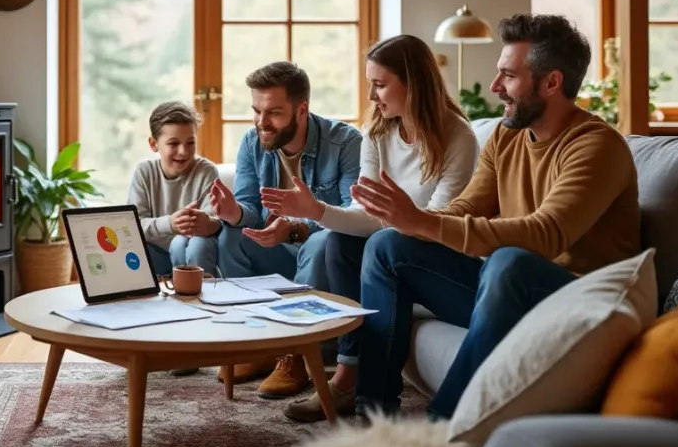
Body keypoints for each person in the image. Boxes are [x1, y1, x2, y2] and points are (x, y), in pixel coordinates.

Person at [349, 13, 641, 421]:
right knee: (387, 246)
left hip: (577, 298)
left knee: (510, 260)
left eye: (508, 75)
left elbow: (546, 234)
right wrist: (412, 218)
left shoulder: (596, 147)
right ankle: (373, 411)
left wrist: (426, 223)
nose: (494, 86)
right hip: (507, 287)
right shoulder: (508, 135)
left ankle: (444, 426)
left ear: (551, 82)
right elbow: (466, 207)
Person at [258, 35, 480, 422]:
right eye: (370, 85)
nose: (373, 97)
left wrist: (385, 218)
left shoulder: (457, 137)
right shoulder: (377, 131)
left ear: (413, 82)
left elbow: (439, 221)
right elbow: (364, 211)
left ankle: (367, 398)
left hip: (436, 257)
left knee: (383, 242)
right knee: (340, 242)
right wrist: (318, 211)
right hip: (390, 246)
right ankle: (349, 374)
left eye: (380, 85)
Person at [209, 61, 362, 399]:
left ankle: (296, 353)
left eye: (274, 113)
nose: (262, 122)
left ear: (302, 109)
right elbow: (250, 211)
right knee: (232, 235)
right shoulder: (252, 142)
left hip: (321, 258)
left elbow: (351, 215)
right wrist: (233, 213)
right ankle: (258, 344)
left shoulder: (346, 142)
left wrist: (294, 228)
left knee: (324, 241)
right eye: (256, 111)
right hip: (279, 254)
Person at [128, 101, 221, 277]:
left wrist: (205, 222)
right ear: (154, 144)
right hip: (155, 252)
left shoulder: (206, 171)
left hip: (192, 248)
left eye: (190, 142)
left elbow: (214, 220)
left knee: (191, 244)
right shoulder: (144, 172)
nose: (183, 151)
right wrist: (170, 224)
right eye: (173, 143)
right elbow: (133, 224)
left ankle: (204, 293)